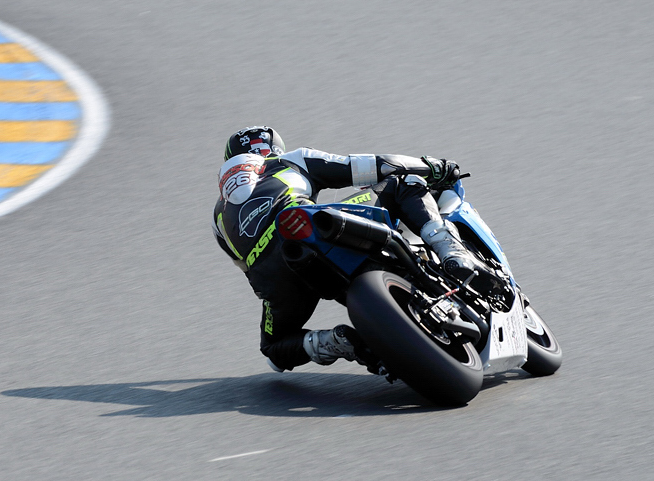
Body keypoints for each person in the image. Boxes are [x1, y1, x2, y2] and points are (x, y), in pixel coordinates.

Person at [212, 125, 497, 373]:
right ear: (273, 149)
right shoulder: (288, 161)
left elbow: (245, 266)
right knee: (403, 182)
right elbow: (374, 166)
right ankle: (450, 250)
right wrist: (435, 167)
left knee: (274, 348)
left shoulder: (218, 217)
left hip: (270, 275)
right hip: (308, 224)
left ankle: (332, 342)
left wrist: (275, 287)